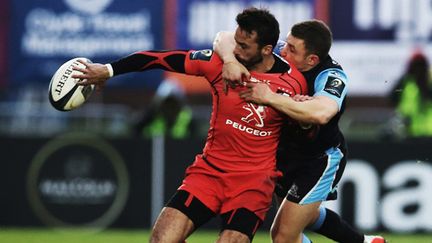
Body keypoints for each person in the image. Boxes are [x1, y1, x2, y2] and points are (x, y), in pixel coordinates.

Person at [72, 7, 307, 243]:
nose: (236, 49)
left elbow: (304, 131)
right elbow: (159, 59)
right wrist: (108, 70)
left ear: (266, 50)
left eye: (244, 47)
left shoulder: (294, 83)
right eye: (236, 42)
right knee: (161, 240)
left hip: (253, 183)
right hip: (209, 174)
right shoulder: (219, 64)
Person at [214, 20, 386, 243]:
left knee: (283, 235)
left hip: (317, 159)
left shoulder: (331, 75)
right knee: (305, 217)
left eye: (292, 49)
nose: (283, 50)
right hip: (284, 153)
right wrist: (229, 59)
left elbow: (322, 112)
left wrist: (270, 97)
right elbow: (223, 37)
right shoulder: (278, 58)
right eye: (286, 43)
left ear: (311, 60)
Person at [391, 50, 432, 137]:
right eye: (416, 65)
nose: (418, 69)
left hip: (428, 130)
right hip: (409, 129)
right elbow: (392, 97)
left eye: (421, 65)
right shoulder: (404, 82)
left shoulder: (428, 82)